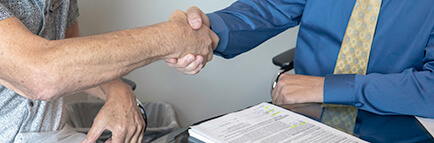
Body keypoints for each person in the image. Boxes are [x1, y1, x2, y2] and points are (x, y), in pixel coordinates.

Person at [166, 0, 434, 118]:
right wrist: (206, 30)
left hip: (395, 122)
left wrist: (324, 87)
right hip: (305, 117)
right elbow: (268, 8)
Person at [0, 0, 218, 143]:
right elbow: (39, 74)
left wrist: (118, 91)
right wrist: (173, 37)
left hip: (54, 134)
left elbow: (70, 50)